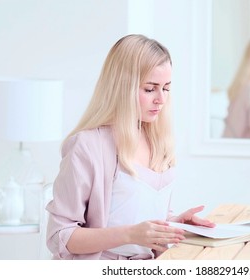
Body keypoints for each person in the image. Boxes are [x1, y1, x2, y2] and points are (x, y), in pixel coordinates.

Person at [46, 34, 215, 260]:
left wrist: (172, 225)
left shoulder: (159, 141)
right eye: (149, 89)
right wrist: (130, 235)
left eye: (166, 88)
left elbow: (135, 216)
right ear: (122, 86)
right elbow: (60, 236)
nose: (160, 99)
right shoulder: (87, 146)